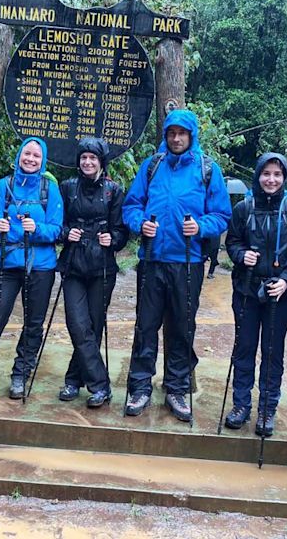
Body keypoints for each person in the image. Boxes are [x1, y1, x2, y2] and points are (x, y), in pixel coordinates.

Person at [122, 109, 232, 422]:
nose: (176, 138)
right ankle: (140, 385)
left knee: (182, 327)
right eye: (172, 133)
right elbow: (132, 205)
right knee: (145, 325)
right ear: (166, 135)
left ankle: (177, 388)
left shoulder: (207, 169)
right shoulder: (152, 166)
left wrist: (200, 226)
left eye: (182, 133)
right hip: (153, 259)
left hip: (188, 261)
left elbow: (222, 215)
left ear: (191, 135)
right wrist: (141, 224)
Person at [0, 137, 63, 400]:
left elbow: (56, 228)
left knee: (33, 323)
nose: (30, 159)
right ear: (19, 155)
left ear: (43, 161)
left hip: (40, 265)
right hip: (7, 263)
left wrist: (37, 229)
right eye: (27, 154)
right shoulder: (4, 186)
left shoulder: (49, 189)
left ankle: (21, 373)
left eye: (36, 156)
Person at [224, 153, 287, 436]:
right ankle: (241, 405)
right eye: (266, 174)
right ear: (258, 175)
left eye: (277, 175)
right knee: (244, 348)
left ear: (284, 178)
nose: (271, 180)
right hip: (246, 289)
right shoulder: (244, 208)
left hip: (280, 292)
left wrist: (286, 280)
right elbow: (232, 241)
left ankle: (267, 409)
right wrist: (240, 255)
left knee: (272, 352)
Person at [57, 138, 129, 408]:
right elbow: (57, 223)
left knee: (93, 327)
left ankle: (74, 379)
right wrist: (66, 233)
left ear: (101, 162)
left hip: (101, 267)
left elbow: (122, 230)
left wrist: (114, 239)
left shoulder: (113, 191)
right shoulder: (67, 188)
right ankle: (101, 385)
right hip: (73, 264)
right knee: (77, 323)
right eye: (84, 158)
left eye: (93, 158)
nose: (87, 162)